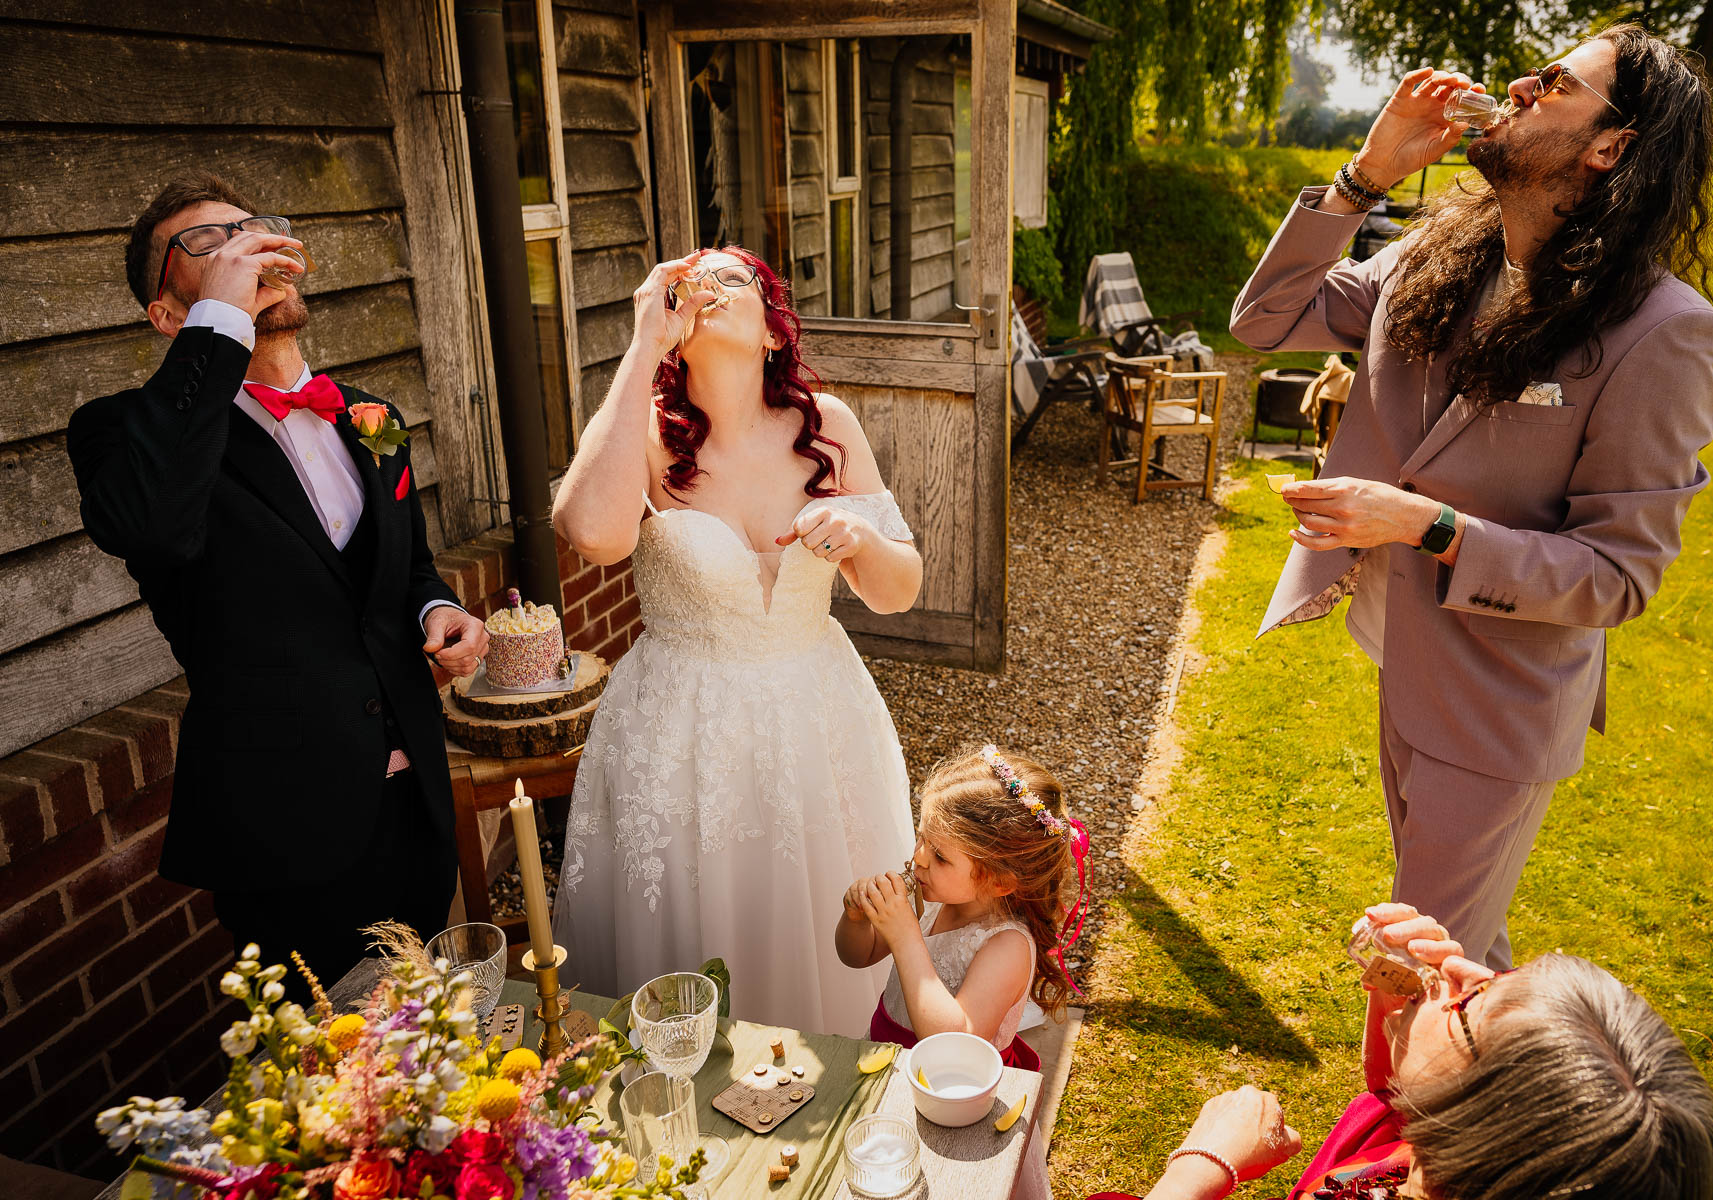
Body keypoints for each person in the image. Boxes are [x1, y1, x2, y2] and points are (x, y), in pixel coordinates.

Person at [1231, 27, 1713, 969]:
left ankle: (1435, 1073)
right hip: (1408, 658)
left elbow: (1616, 577)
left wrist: (1424, 524)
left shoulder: (1666, 333)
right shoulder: (1439, 251)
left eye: (1556, 81)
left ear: (1611, 145)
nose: (1520, 84)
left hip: (1499, 705)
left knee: (1418, 964)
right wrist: (1366, 176)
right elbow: (1264, 322)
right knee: (1459, 949)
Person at [66, 175, 489, 985]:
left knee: (434, 1026)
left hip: (416, 801)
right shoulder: (123, 434)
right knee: (330, 1049)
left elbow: (406, 568)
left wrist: (438, 608)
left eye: (251, 230)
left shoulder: (370, 416)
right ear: (168, 317)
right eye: (208, 244)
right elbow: (150, 526)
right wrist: (221, 320)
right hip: (286, 827)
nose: (244, 249)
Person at [550, 247, 923, 1036]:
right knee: (694, 930)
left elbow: (897, 594)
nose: (708, 288)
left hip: (817, 720)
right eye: (694, 280)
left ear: (774, 331)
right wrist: (643, 343)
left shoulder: (828, 425)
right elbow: (592, 533)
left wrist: (860, 536)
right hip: (681, 732)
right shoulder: (643, 432)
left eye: (731, 277)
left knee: (821, 924)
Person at [1091, 903, 1713, 1200]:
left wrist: (1200, 1168)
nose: (1460, 968)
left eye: (1470, 1005)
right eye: (1496, 978)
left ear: (1481, 1125)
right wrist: (1397, 1009)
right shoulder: (1449, 1159)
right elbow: (1393, 1099)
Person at [834, 744, 1090, 1070]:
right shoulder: (931, 898)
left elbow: (956, 1046)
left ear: (999, 882)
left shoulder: (1008, 947)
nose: (919, 857)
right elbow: (857, 956)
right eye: (922, 837)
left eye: (940, 856)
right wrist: (856, 919)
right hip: (883, 1056)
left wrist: (905, 937)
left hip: (948, 1083)